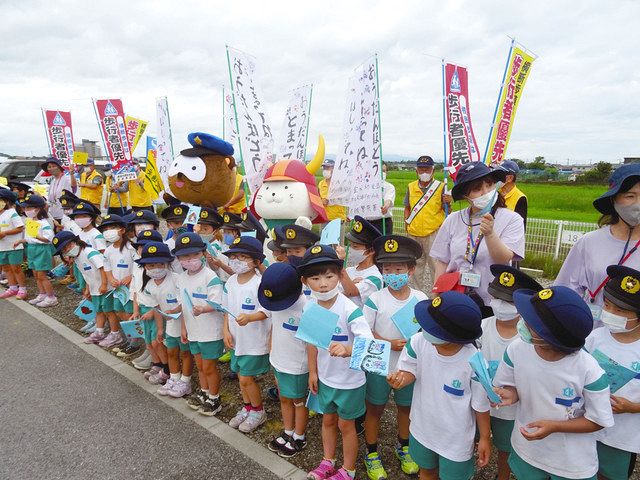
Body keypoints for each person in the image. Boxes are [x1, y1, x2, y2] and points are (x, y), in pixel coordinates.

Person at [493, 286, 614, 480]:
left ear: (551, 337)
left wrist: (555, 426)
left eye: (530, 322)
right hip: (527, 449)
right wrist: (510, 394)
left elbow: (598, 420)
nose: (523, 324)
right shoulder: (517, 349)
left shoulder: (589, 370)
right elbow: (513, 386)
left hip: (571, 463)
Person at [388, 292, 491, 480]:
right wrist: (401, 379)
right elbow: (410, 369)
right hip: (422, 427)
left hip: (456, 438)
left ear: (456, 336)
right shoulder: (418, 342)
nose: (425, 330)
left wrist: (484, 437)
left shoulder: (474, 361)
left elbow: (480, 404)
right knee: (426, 471)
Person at [299, 245, 373, 480]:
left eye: (330, 276)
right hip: (325, 378)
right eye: (315, 278)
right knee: (328, 420)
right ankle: (327, 461)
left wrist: (349, 349)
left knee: (346, 425)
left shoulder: (350, 309)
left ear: (340, 276)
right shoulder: (310, 306)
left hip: (350, 381)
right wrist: (313, 372)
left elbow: (369, 343)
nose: (323, 284)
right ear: (305, 281)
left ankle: (348, 470)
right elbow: (311, 342)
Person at [362, 235, 427, 479]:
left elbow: (426, 334)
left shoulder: (421, 300)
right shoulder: (376, 299)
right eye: (387, 270)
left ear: (411, 270)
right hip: (380, 365)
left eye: (399, 269)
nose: (393, 274)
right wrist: (387, 343)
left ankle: (405, 447)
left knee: (405, 408)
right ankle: (371, 453)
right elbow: (364, 331)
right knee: (375, 408)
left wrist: (412, 345)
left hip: (408, 368)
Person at [430, 161, 525, 307]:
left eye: (489, 185)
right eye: (477, 189)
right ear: (464, 195)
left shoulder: (512, 219)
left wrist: (490, 234)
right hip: (455, 297)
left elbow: (503, 259)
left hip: (494, 300)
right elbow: (442, 261)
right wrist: (436, 295)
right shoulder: (453, 219)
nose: (485, 192)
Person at [479, 265, 542, 480]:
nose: (499, 305)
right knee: (474, 438)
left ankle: (503, 476)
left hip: (511, 409)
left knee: (506, 448)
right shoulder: (480, 326)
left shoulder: (530, 337)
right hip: (479, 403)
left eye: (508, 302)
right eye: (496, 297)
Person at [556, 164, 640, 321]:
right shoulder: (589, 242)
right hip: (590, 336)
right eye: (630, 196)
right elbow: (565, 291)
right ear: (613, 199)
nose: (638, 204)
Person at [584, 265, 640, 480]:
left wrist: (632, 407)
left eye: (621, 311)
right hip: (586, 426)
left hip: (622, 435)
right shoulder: (595, 337)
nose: (611, 314)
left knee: (612, 474)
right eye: (607, 306)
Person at [258, 263, 310, 458]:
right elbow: (273, 323)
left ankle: (299, 435)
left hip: (297, 365)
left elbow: (313, 343)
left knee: (298, 401)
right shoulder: (277, 300)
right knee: (284, 397)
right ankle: (288, 430)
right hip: (278, 359)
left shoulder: (306, 307)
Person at [173, 232, 226, 416]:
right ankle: (204, 393)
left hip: (210, 332)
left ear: (203, 253)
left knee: (209, 367)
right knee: (200, 366)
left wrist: (203, 309)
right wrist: (183, 328)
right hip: (193, 330)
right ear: (178, 258)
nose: (190, 259)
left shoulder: (210, 277)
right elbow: (183, 307)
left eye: (194, 254)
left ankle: (215, 398)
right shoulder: (181, 278)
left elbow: (217, 303)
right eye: (185, 256)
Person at [222, 236, 270, 432]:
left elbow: (267, 311)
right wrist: (225, 330)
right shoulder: (231, 281)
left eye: (243, 257)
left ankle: (258, 411)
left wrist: (250, 318)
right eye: (234, 257)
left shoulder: (260, 283)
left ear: (256, 261)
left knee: (246, 378)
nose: (237, 261)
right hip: (236, 339)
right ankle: (247, 407)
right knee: (241, 375)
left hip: (253, 341)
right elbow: (225, 309)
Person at [136, 242, 193, 399]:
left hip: (184, 322)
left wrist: (175, 312)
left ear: (167, 263)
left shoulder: (177, 279)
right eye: (151, 265)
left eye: (160, 264)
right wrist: (160, 329)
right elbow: (157, 308)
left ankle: (185, 381)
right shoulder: (150, 286)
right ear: (145, 266)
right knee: (171, 351)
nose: (156, 268)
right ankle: (174, 377)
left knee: (185, 353)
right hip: (170, 325)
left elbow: (185, 303)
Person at [403, 156, 448, 292]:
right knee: (416, 265)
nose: (424, 172)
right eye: (421, 169)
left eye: (427, 169)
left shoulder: (441, 187)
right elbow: (407, 207)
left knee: (436, 265)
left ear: (433, 171)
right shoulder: (411, 187)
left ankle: (437, 293)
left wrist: (448, 202)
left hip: (433, 232)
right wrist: (407, 224)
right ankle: (418, 293)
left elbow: (447, 210)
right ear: (416, 171)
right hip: (413, 233)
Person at [15, 195, 56, 306]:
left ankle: (51, 297)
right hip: (32, 249)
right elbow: (29, 238)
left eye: (28, 208)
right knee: (36, 275)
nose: (26, 211)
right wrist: (21, 241)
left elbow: (49, 238)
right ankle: (42, 294)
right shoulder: (29, 221)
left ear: (37, 209)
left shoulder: (44, 223)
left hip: (42, 249)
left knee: (42, 275)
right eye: (25, 208)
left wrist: (37, 237)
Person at [337, 216, 383, 309]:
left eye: (356, 247)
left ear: (371, 251)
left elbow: (352, 291)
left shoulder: (375, 277)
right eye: (350, 245)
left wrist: (339, 264)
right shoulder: (349, 270)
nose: (350, 249)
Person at [100, 214, 136, 323]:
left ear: (122, 230)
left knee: (130, 311)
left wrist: (130, 276)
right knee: (119, 310)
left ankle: (136, 334)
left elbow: (138, 265)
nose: (109, 231)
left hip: (130, 287)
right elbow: (107, 266)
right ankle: (133, 330)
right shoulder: (108, 250)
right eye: (106, 229)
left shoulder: (131, 248)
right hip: (118, 288)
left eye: (112, 228)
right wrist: (110, 279)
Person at [0, 189, 27, 300]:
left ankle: (22, 289)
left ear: (6, 201)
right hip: (2, 247)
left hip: (13, 246)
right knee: (6, 268)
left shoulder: (12, 213)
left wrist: (5, 233)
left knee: (16, 268)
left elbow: (20, 228)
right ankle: (12, 288)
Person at [42, 157, 77, 224]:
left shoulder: (67, 178)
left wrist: (72, 174)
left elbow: (74, 186)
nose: (51, 168)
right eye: (49, 167)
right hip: (53, 215)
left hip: (65, 215)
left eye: (54, 166)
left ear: (59, 167)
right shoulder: (53, 181)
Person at [365, 162, 395, 235]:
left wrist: (386, 206)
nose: (381, 173)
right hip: (367, 223)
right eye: (378, 170)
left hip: (383, 223)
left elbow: (388, 200)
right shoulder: (365, 187)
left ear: (387, 172)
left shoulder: (389, 187)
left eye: (384, 171)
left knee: (382, 245)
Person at [498, 160, 527, 227]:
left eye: (500, 174)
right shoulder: (495, 192)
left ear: (510, 178)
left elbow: (521, 225)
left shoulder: (520, 197)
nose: (497, 177)